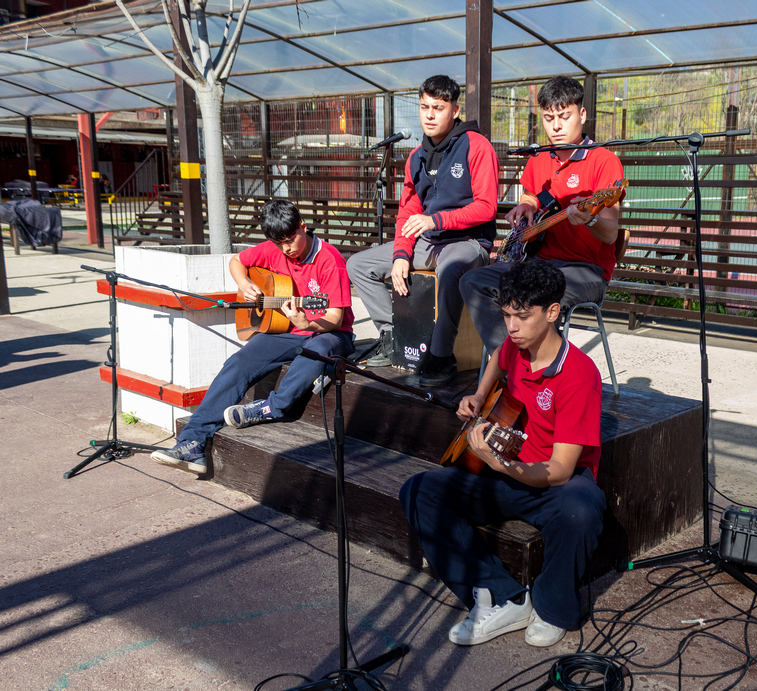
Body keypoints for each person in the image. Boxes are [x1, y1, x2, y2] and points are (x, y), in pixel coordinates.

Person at [399, 259, 605, 648]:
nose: (511, 326)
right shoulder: (516, 345)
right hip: (504, 467)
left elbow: (561, 470)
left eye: (522, 317)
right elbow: (498, 357)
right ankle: (500, 596)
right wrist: (479, 395)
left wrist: (502, 465)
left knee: (582, 509)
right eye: (507, 315)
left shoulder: (579, 375)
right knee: (417, 490)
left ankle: (552, 607)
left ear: (553, 312)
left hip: (553, 483)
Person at [151, 199, 354, 475]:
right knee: (239, 362)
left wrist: (308, 322)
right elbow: (237, 261)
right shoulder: (273, 249)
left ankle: (271, 407)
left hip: (330, 333)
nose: (286, 248)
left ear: (303, 226)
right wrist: (244, 283)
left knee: (315, 351)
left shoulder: (330, 259)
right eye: (280, 243)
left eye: (290, 240)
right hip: (287, 330)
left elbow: (335, 317)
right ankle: (192, 442)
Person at [347, 74, 499, 387]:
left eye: (438, 108)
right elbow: (408, 213)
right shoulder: (415, 157)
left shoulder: (477, 146)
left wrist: (436, 221)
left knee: (451, 268)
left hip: (467, 241)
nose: (429, 115)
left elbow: (486, 207)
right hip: (427, 242)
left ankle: (442, 355)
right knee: (358, 265)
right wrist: (401, 254)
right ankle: (393, 337)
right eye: (424, 107)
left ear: (455, 110)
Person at [460, 76, 625, 353]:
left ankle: (527, 367)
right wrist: (527, 206)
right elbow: (530, 196)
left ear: (582, 115)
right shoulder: (538, 158)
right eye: (549, 118)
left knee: (536, 300)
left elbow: (610, 234)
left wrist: (591, 219)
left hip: (585, 270)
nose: (556, 126)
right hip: (537, 263)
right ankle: (513, 362)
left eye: (564, 116)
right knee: (473, 281)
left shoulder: (604, 161)